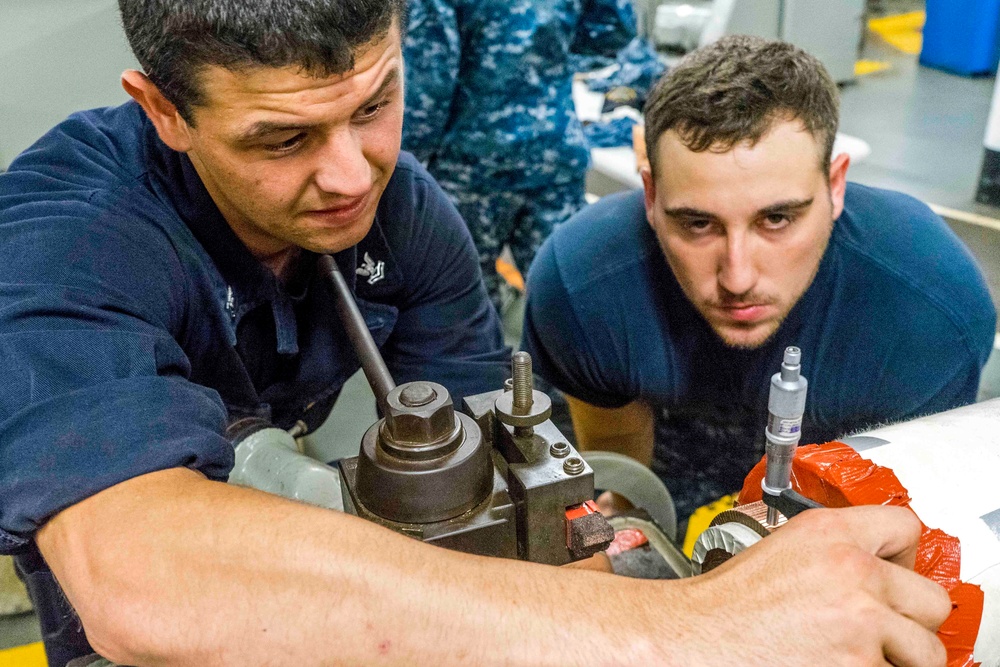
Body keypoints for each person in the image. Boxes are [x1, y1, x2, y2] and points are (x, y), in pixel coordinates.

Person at [0, 5, 952, 666]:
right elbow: (141, 582)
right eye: (282, 139)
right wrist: (682, 627)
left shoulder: (405, 213)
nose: (350, 177)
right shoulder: (66, 235)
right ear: (164, 108)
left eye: (373, 106)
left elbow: (495, 483)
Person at [522, 35, 997, 527]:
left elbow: (898, 510)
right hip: (672, 455)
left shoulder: (930, 309)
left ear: (835, 187)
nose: (738, 278)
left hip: (839, 474)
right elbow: (621, 463)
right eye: (698, 224)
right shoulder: (582, 286)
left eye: (777, 219)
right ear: (650, 195)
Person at [402, 0, 658, 312]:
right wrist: (549, 48)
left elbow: (430, 79)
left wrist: (407, 162)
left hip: (474, 164)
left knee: (466, 300)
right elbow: (613, 30)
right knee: (571, 293)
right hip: (553, 154)